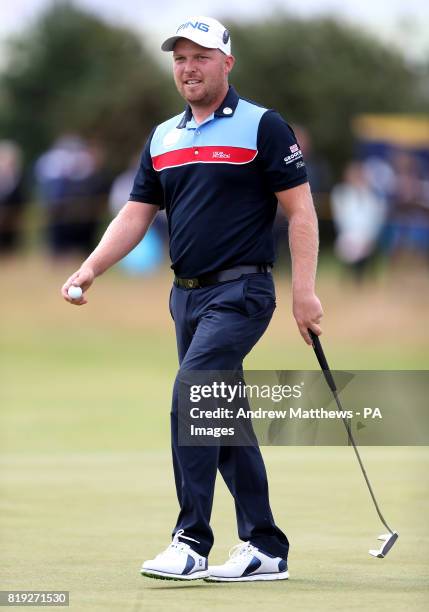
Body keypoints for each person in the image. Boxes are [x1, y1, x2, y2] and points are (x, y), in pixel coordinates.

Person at [61, 16, 323, 582]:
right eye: (180, 57)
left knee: (193, 395)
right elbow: (136, 214)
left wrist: (305, 292)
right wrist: (88, 270)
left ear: (226, 63)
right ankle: (265, 546)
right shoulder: (163, 136)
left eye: (200, 56)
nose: (188, 67)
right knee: (223, 418)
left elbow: (300, 211)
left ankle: (191, 541)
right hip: (186, 298)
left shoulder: (263, 126)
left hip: (244, 290)